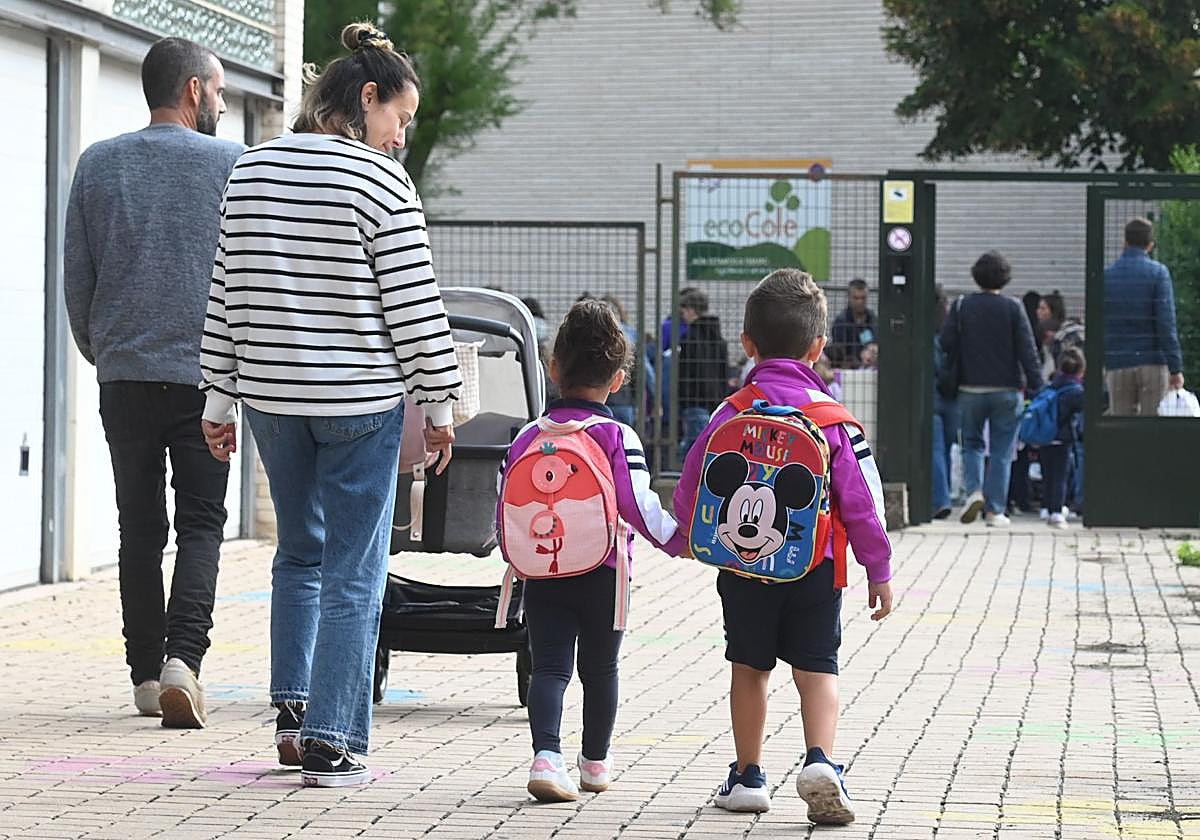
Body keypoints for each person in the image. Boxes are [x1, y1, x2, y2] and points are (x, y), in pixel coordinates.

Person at [199, 22, 460, 787]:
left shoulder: (250, 171)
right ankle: (333, 741)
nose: (400, 138)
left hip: (273, 402)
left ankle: (292, 715)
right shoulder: (380, 184)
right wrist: (441, 401)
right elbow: (414, 303)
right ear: (367, 97)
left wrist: (219, 395)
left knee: (300, 553)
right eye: (400, 120)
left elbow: (226, 291)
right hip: (360, 403)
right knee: (355, 569)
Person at [63, 37, 243, 727]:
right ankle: (183, 662)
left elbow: (77, 279)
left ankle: (143, 674)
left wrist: (104, 351)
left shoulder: (99, 164)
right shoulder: (232, 165)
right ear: (194, 90)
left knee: (137, 526)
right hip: (207, 381)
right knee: (202, 523)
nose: (223, 104)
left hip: (125, 377)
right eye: (221, 92)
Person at [673, 269, 893, 824]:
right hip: (815, 568)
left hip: (744, 568)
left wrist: (681, 536)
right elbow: (864, 502)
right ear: (819, 348)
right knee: (818, 669)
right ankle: (822, 761)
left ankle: (748, 776)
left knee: (749, 667)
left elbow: (692, 484)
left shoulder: (732, 412)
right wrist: (879, 570)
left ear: (747, 344)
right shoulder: (835, 422)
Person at [500, 299, 687, 802]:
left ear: (553, 368)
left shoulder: (526, 437)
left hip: (540, 569)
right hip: (604, 570)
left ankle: (546, 756)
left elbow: (506, 501)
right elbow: (636, 501)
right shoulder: (615, 435)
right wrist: (677, 540)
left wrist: (512, 550)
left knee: (550, 667)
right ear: (620, 379)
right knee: (601, 669)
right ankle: (596, 762)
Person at [941, 251, 1044, 527]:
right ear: (1005, 277)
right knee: (1001, 449)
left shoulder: (962, 306)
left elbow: (946, 341)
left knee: (971, 444)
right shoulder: (1013, 308)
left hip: (969, 388)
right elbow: (1027, 350)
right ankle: (995, 510)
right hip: (1006, 389)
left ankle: (973, 491)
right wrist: (1037, 384)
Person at [1104, 217, 1185, 416]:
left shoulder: (1107, 276)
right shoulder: (1158, 273)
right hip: (1152, 362)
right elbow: (1166, 323)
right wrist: (1175, 367)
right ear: (1150, 245)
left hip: (1118, 361)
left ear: (1125, 242)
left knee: (1121, 428)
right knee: (1152, 429)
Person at [1038, 349, 1086, 529]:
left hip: (1044, 436)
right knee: (1060, 475)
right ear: (1081, 370)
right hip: (1062, 438)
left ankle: (1046, 506)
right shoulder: (1076, 391)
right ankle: (1057, 511)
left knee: (1048, 474)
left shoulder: (1050, 386)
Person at [677, 288, 728, 456]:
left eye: (684, 310)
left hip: (693, 400)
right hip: (715, 402)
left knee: (691, 451)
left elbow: (685, 371)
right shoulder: (718, 338)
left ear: (691, 310)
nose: (683, 315)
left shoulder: (689, 337)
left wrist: (682, 398)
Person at [600, 294, 654, 429]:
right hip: (625, 400)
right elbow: (644, 371)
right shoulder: (631, 335)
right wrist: (653, 399)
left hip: (601, 400)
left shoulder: (594, 336)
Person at [932, 285, 959, 519]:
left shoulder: (924, 333)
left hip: (932, 397)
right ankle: (946, 493)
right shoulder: (952, 330)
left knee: (936, 449)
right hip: (953, 397)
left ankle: (941, 499)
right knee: (948, 449)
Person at [828, 278, 877, 368]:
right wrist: (859, 356)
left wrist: (873, 348)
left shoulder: (872, 318)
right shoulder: (841, 321)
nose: (860, 302)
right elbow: (839, 352)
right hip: (849, 368)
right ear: (849, 298)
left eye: (863, 298)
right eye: (856, 298)